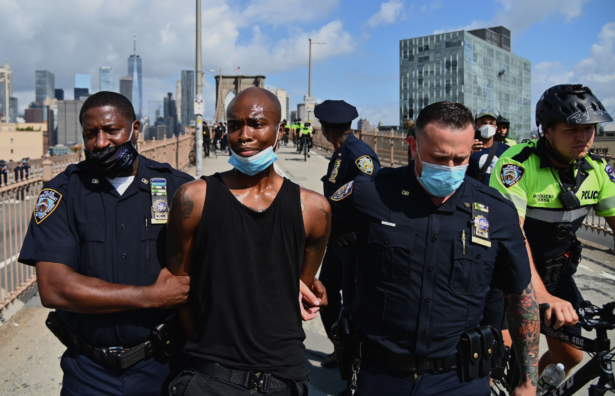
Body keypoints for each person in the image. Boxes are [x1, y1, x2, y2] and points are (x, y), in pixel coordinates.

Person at [329, 101, 538, 395]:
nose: (450, 169)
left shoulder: (497, 213)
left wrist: (528, 380)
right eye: (439, 158)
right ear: (412, 146)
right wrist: (307, 276)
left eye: (461, 159)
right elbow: (312, 224)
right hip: (380, 375)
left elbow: (521, 298)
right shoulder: (370, 194)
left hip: (460, 379)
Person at [18, 91, 194, 396]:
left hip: (165, 367)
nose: (101, 143)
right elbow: (53, 288)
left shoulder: (179, 189)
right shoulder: (62, 193)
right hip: (89, 372)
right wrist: (151, 297)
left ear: (135, 129)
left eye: (112, 131)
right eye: (91, 134)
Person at [166, 87, 331, 396]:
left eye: (257, 124)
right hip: (211, 376)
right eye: (233, 125)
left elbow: (298, 289)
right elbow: (179, 288)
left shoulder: (315, 210)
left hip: (283, 376)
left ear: (280, 131)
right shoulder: (193, 200)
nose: (243, 135)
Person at [490, 84, 615, 376]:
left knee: (570, 357)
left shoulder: (597, 170)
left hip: (557, 274)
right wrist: (542, 296)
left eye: (590, 128)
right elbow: (512, 240)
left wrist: (550, 291)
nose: (584, 137)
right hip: (507, 277)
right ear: (546, 131)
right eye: (572, 130)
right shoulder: (517, 166)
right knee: (510, 361)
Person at [315, 100, 381, 369]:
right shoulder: (341, 151)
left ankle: (356, 361)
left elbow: (373, 196)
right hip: (337, 240)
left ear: (326, 128)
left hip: (353, 242)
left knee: (355, 303)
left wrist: (356, 231)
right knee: (325, 294)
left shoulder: (359, 154)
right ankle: (341, 347)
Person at [467, 109, 510, 185]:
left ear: (496, 126)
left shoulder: (505, 149)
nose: (488, 126)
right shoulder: (467, 147)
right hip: (474, 193)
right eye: (483, 123)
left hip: (495, 194)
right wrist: (466, 154)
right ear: (475, 126)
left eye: (491, 123)